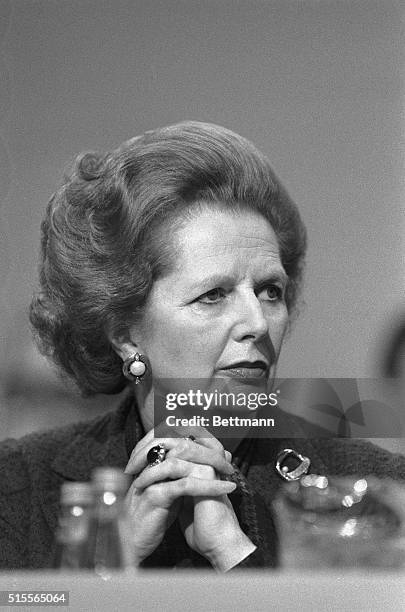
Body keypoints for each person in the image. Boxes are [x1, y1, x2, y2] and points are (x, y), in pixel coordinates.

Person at [1, 121, 404, 570]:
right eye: (213, 295)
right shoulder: (20, 487)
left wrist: (236, 554)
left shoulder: (378, 491)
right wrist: (107, 569)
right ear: (124, 332)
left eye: (270, 290)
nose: (257, 322)